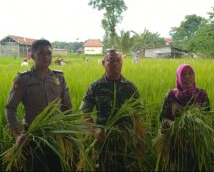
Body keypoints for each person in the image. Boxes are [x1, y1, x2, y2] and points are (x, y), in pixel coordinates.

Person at [5, 39, 72, 171]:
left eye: (49, 53)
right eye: (41, 53)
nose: (46, 57)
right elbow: (10, 108)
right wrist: (18, 135)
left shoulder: (59, 78)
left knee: (57, 167)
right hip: (33, 136)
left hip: (57, 135)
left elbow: (67, 106)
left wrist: (69, 131)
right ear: (32, 56)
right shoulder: (23, 79)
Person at [79, 49, 144, 171]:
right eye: (111, 60)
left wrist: (140, 142)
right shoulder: (95, 87)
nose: (115, 64)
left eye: (118, 61)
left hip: (126, 141)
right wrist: (95, 130)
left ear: (122, 63)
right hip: (104, 141)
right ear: (104, 63)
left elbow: (138, 114)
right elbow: (84, 112)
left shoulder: (130, 87)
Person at [160, 64, 210, 171]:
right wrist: (174, 125)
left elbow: (208, 119)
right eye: (183, 74)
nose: (187, 77)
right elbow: (163, 119)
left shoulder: (202, 95)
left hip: (197, 146)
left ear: (194, 75)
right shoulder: (171, 96)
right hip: (176, 146)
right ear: (178, 76)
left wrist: (199, 125)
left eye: (190, 73)